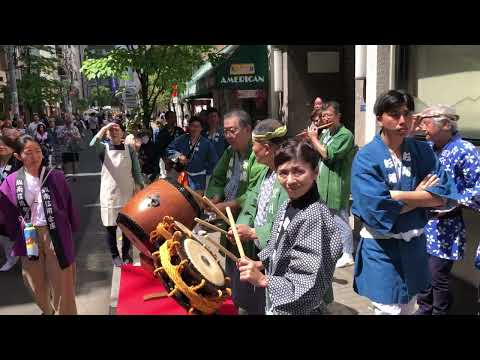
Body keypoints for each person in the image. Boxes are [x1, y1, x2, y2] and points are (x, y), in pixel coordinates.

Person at [351, 90, 461, 315]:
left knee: (409, 307)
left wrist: (397, 195)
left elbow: (444, 194)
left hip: (415, 246)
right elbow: (374, 209)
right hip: (382, 247)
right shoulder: (366, 157)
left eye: (407, 114)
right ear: (379, 118)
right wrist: (421, 197)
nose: (403, 121)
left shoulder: (422, 151)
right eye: (394, 114)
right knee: (388, 310)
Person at [238, 138, 343, 314]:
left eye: (298, 171)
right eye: (283, 173)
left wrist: (264, 280)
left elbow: (306, 283)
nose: (290, 180)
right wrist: (259, 264)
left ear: (315, 172)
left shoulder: (314, 216)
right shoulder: (288, 204)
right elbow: (278, 247)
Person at [0, 135, 79, 314]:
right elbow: (7, 211)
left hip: (55, 233)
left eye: (38, 151)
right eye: (28, 152)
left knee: (62, 281)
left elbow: (68, 204)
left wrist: (71, 227)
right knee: (33, 280)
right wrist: (14, 234)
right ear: (19, 156)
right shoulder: (11, 181)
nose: (35, 156)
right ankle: (48, 310)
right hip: (28, 234)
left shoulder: (56, 176)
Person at [413, 105, 480, 315]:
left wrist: (452, 202)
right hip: (422, 222)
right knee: (422, 275)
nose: (422, 127)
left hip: (446, 226)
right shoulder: (428, 148)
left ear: (446, 124)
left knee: (437, 277)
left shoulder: (465, 150)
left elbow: (477, 188)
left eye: (427, 122)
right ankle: (424, 310)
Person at [205, 109, 266, 314]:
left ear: (248, 130)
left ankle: (249, 305)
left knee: (246, 265)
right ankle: (239, 301)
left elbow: (253, 194)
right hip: (230, 220)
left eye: (233, 130)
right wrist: (214, 196)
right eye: (226, 131)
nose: (229, 136)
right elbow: (218, 177)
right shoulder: (230, 152)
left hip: (247, 222)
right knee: (232, 265)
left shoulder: (258, 155)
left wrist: (228, 205)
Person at [227, 119, 289, 314]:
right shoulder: (265, 173)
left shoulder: (288, 179)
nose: (252, 150)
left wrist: (254, 232)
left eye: (254, 144)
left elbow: (288, 223)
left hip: (284, 260)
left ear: (267, 148)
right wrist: (241, 228)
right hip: (265, 256)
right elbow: (251, 203)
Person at [307, 101, 356, 268]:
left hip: (336, 184)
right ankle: (334, 250)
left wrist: (314, 138)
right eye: (323, 115)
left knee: (340, 219)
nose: (325, 118)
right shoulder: (326, 132)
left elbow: (328, 154)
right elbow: (317, 151)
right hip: (323, 183)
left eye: (329, 115)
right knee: (328, 220)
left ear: (338, 116)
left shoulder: (345, 135)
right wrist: (311, 140)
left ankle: (348, 253)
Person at [90, 121, 145, 267]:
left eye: (117, 129)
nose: (114, 132)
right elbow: (93, 143)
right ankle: (115, 255)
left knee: (127, 226)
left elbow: (136, 170)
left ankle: (126, 253)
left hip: (128, 192)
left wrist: (140, 186)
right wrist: (103, 128)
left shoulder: (129, 149)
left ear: (122, 133)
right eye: (111, 130)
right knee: (111, 226)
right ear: (107, 133)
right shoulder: (104, 149)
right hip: (110, 194)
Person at [167, 116, 218, 193]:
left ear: (201, 128)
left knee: (197, 202)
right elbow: (168, 150)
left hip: (200, 180)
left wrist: (205, 170)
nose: (195, 129)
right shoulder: (182, 139)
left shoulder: (207, 143)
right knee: (184, 200)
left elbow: (214, 161)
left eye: (197, 126)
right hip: (183, 177)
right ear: (189, 127)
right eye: (192, 126)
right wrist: (179, 156)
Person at [0, 135, 22, 271]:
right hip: (1, 205)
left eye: (4, 144)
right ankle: (11, 258)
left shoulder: (18, 163)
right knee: (3, 232)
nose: (1, 147)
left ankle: (26, 257)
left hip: (16, 204)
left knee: (19, 231)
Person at [154, 110, 184, 179]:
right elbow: (159, 149)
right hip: (167, 161)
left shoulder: (180, 131)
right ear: (167, 119)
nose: (173, 119)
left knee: (181, 183)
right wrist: (166, 161)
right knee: (170, 183)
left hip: (179, 161)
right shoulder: (162, 133)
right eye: (171, 117)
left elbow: (185, 145)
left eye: (174, 117)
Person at [57, 114, 82, 179]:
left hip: (74, 148)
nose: (69, 122)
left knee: (75, 162)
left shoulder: (75, 128)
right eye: (67, 120)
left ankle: (75, 176)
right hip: (65, 148)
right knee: (66, 164)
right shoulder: (62, 129)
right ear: (65, 121)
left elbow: (79, 138)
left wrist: (73, 136)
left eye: (70, 120)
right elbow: (58, 137)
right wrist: (64, 135)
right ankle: (66, 176)